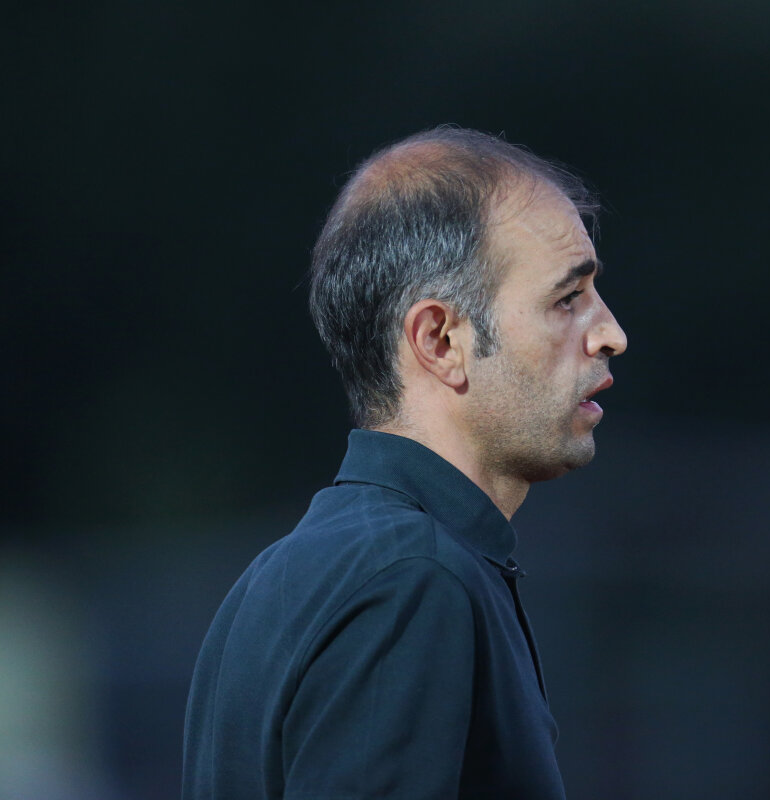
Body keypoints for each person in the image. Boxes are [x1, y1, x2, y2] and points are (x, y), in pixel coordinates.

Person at [182, 126, 628, 799]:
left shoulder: (280, 578)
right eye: (567, 299)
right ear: (440, 340)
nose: (611, 334)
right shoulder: (412, 581)